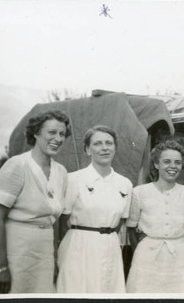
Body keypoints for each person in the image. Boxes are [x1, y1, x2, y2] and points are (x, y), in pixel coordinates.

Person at [0, 110, 71, 294]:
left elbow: (52, 222)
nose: (58, 138)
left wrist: (53, 259)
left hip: (43, 254)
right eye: (51, 132)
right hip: (15, 251)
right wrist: (1, 267)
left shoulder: (61, 172)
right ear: (36, 133)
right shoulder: (16, 165)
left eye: (62, 134)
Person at [56, 125, 132, 293]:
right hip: (78, 247)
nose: (104, 148)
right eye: (97, 144)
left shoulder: (124, 184)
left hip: (111, 245)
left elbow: (119, 222)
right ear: (87, 149)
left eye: (109, 143)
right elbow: (62, 223)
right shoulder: (74, 180)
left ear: (115, 148)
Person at [126, 140, 184, 293]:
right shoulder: (139, 192)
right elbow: (131, 228)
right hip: (146, 258)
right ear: (156, 164)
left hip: (178, 259)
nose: (173, 166)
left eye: (177, 162)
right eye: (166, 161)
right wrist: (141, 251)